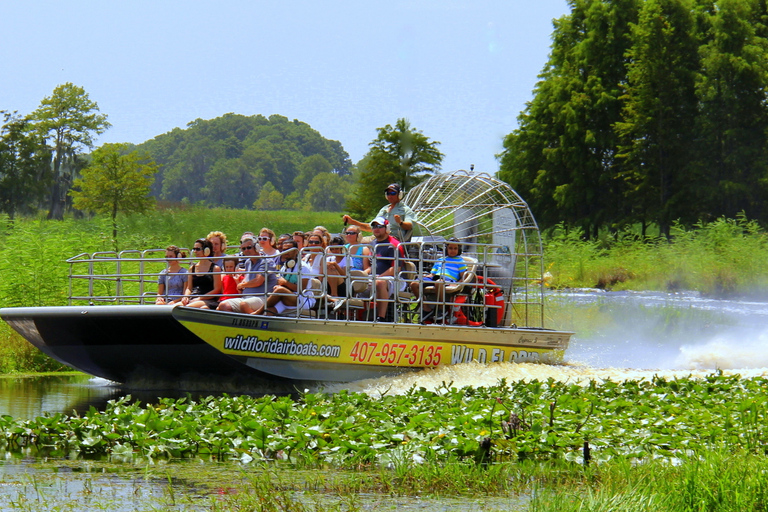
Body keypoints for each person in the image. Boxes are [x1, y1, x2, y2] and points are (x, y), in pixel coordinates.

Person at [252, 238, 315, 316]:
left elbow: (301, 289)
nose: (286, 252)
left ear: (296, 252)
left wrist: (285, 283)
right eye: (284, 249)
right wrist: (277, 286)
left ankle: (257, 312)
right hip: (285, 297)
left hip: (303, 299)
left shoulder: (303, 267)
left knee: (280, 290)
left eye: (289, 249)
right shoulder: (284, 267)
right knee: (268, 311)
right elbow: (281, 284)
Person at [217, 236, 279, 314]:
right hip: (246, 297)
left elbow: (258, 281)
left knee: (244, 305)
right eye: (244, 249)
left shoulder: (266, 261)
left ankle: (257, 321)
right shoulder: (248, 262)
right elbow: (247, 280)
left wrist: (242, 285)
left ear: (256, 247)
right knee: (223, 305)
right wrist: (240, 283)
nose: (246, 250)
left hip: (262, 297)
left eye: (249, 247)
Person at [410, 238, 467, 322]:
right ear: (446, 249)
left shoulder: (460, 261)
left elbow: (463, 276)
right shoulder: (440, 260)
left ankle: (441, 308)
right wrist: (423, 276)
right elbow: (432, 274)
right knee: (414, 284)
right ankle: (425, 307)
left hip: (448, 279)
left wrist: (458, 284)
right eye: (450, 248)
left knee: (439, 283)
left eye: (455, 248)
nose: (453, 251)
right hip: (435, 277)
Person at [342, 183, 418, 242]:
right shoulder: (384, 209)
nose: (390, 196)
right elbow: (370, 227)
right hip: (378, 237)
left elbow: (410, 226)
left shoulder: (405, 210)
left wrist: (400, 222)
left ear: (399, 195)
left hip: (393, 239)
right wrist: (352, 222)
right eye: (388, 193)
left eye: (393, 193)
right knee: (353, 242)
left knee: (368, 245)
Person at [366, 216, 406, 322]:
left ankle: (381, 317)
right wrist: (363, 273)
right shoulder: (373, 244)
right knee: (355, 282)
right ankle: (357, 316)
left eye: (379, 226)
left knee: (380, 282)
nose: (376, 229)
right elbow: (372, 265)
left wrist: (379, 277)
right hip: (375, 276)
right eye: (374, 226)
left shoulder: (394, 245)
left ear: (387, 228)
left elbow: (396, 268)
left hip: (396, 279)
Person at [182, 238, 222, 309]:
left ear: (207, 250)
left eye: (198, 249)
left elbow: (217, 289)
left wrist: (200, 298)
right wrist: (186, 297)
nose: (195, 251)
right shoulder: (192, 268)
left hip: (208, 299)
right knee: (174, 307)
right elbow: (189, 288)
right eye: (194, 249)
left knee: (188, 308)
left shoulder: (215, 268)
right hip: (193, 298)